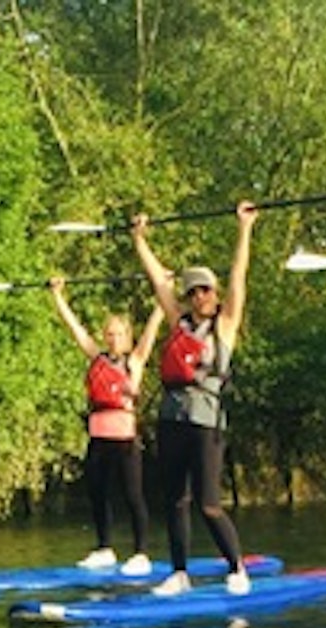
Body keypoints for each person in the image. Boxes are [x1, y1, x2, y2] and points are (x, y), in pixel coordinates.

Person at [131, 201, 258, 596]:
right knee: (176, 500)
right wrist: (138, 239)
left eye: (205, 289)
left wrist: (245, 228)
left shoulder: (225, 324)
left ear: (214, 293)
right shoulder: (179, 322)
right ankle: (180, 573)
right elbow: (158, 283)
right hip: (172, 419)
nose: (199, 295)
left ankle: (237, 568)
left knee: (208, 504)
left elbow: (239, 276)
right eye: (193, 291)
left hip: (206, 422)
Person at [48, 277, 166, 576]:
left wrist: (164, 290)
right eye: (109, 334)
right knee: (97, 493)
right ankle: (104, 548)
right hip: (98, 437)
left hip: (125, 440)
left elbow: (155, 324)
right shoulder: (96, 357)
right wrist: (58, 296)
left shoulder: (134, 361)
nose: (113, 339)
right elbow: (74, 329)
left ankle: (141, 553)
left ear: (127, 336)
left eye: (118, 334)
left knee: (132, 495)